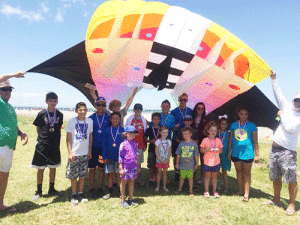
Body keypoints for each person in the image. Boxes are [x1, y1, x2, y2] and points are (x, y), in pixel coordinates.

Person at [263, 71, 300, 216]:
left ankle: (291, 204)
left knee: (291, 178)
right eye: (296, 100)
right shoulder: (286, 107)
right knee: (275, 176)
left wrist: (281, 115)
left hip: (287, 151)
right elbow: (278, 93)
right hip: (274, 149)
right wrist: (273, 79)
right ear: (293, 100)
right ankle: (276, 199)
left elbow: (290, 127)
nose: (297, 103)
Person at [0, 71, 28, 212]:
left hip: (9, 146)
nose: (7, 92)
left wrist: (21, 132)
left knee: (4, 174)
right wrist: (14, 75)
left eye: (9, 90)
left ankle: (0, 204)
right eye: (4, 89)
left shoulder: (9, 107)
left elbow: (11, 123)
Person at [31, 92, 64, 200]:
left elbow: (58, 128)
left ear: (57, 101)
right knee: (40, 168)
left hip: (54, 146)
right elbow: (38, 129)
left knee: (53, 168)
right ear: (46, 101)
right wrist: (43, 139)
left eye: (55, 101)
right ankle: (39, 191)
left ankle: (51, 189)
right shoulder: (41, 114)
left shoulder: (59, 114)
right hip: (42, 145)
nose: (53, 103)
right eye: (50, 101)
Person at [228, 107, 259, 202]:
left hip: (248, 153)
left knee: (246, 173)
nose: (243, 116)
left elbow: (255, 141)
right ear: (238, 114)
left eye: (245, 114)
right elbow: (230, 139)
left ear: (247, 115)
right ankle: (240, 190)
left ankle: (246, 194)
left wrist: (257, 154)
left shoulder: (252, 125)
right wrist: (229, 151)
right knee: (238, 172)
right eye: (241, 114)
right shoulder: (233, 125)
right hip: (236, 153)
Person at [65, 102, 93, 205]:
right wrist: (70, 153)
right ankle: (73, 194)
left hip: (85, 153)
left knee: (82, 174)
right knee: (73, 175)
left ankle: (80, 193)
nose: (83, 112)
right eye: (80, 110)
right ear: (76, 111)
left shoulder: (89, 121)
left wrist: (89, 150)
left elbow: (90, 137)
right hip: (74, 153)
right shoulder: (72, 121)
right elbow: (68, 139)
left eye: (84, 110)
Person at [88, 96, 111, 198]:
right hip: (93, 148)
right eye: (98, 104)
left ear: (105, 106)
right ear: (95, 106)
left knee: (101, 168)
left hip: (103, 148)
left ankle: (100, 188)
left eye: (103, 105)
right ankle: (92, 189)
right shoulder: (90, 118)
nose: (101, 107)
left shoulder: (108, 118)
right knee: (92, 169)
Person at [102, 112, 125, 199]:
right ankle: (109, 190)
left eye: (117, 118)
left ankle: (120, 191)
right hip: (109, 156)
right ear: (110, 120)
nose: (115, 120)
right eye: (113, 118)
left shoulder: (123, 130)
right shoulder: (107, 130)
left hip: (119, 157)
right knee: (110, 174)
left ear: (120, 120)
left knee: (119, 174)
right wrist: (104, 156)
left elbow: (125, 144)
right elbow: (103, 144)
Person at [171, 93, 193, 182]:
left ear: (187, 100)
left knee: (187, 157)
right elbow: (171, 128)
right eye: (181, 100)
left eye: (185, 100)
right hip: (177, 137)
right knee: (176, 157)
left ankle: (187, 175)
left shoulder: (191, 111)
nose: (183, 102)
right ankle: (177, 174)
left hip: (188, 139)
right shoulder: (173, 112)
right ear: (178, 100)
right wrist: (175, 127)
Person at [125, 103, 147, 186]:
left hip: (140, 145)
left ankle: (137, 178)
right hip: (130, 144)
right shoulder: (130, 119)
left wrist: (145, 144)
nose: (138, 111)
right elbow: (126, 131)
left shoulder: (143, 120)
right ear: (134, 110)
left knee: (138, 163)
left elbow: (144, 133)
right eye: (136, 109)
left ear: (141, 110)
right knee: (129, 161)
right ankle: (128, 178)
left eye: (139, 110)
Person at [200, 121, 223, 198]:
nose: (213, 132)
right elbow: (201, 150)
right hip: (207, 162)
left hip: (216, 162)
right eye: (211, 130)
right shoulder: (205, 140)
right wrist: (208, 149)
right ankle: (206, 191)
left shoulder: (218, 140)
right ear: (208, 131)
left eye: (215, 131)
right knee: (207, 177)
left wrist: (217, 149)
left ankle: (214, 191)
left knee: (215, 177)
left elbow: (221, 150)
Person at [119, 125, 140, 208]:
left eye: (133, 133)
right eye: (130, 133)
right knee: (123, 183)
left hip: (133, 167)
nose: (132, 135)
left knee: (131, 182)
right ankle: (123, 200)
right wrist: (121, 168)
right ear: (125, 134)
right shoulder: (123, 144)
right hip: (125, 167)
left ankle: (131, 198)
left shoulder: (135, 144)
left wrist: (137, 165)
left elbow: (136, 155)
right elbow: (120, 157)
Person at [175, 127, 199, 196]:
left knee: (190, 178)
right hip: (182, 165)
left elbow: (196, 155)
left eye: (186, 134)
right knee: (181, 178)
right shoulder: (181, 144)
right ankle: (179, 189)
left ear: (191, 134)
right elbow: (178, 154)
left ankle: (190, 191)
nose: (185, 136)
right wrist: (177, 163)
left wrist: (196, 164)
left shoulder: (194, 144)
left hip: (190, 165)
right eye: (183, 134)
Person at [191, 102, 207, 185]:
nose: (200, 110)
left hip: (203, 143)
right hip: (193, 142)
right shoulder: (192, 118)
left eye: (202, 108)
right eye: (198, 108)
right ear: (195, 109)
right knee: (193, 161)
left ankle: (202, 179)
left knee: (203, 161)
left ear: (204, 110)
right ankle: (192, 178)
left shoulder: (206, 119)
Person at [144, 113, 161, 185]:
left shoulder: (162, 129)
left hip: (160, 150)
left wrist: (159, 141)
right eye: (154, 119)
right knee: (151, 165)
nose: (156, 120)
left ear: (159, 120)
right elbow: (145, 139)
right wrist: (150, 141)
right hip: (151, 149)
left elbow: (165, 138)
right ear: (152, 120)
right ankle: (151, 179)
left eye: (157, 119)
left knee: (158, 165)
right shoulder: (149, 129)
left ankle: (157, 178)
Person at [154, 126, 172, 193]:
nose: (165, 134)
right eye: (164, 132)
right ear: (160, 133)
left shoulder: (169, 141)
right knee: (159, 173)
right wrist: (160, 159)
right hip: (159, 160)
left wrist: (167, 159)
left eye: (166, 133)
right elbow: (156, 151)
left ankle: (164, 186)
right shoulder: (158, 141)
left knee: (165, 173)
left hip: (166, 160)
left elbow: (169, 151)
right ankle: (158, 186)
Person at [217, 116, 231, 194]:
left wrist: (229, 153)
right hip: (217, 153)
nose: (223, 126)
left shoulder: (228, 133)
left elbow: (229, 144)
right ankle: (217, 184)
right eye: (222, 124)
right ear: (219, 124)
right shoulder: (216, 132)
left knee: (224, 171)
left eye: (225, 124)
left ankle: (226, 187)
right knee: (217, 170)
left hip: (225, 154)